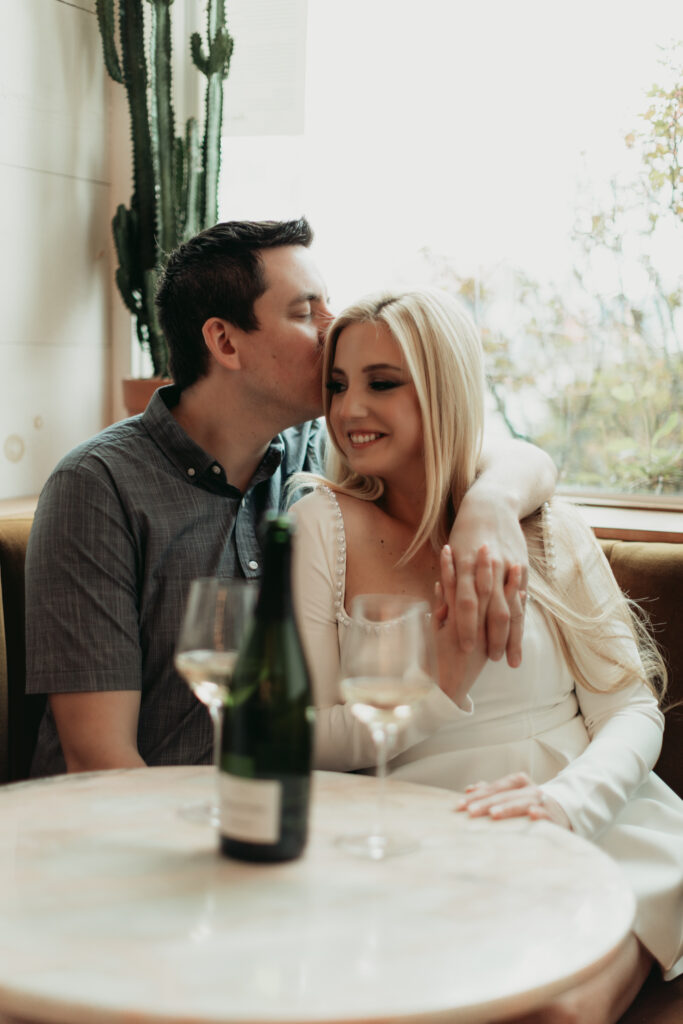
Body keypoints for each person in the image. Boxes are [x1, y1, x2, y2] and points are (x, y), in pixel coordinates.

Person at [25, 219, 556, 777]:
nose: (334, 329)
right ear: (225, 342)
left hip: (295, 819)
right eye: (307, 313)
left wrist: (490, 505)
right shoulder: (97, 486)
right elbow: (98, 759)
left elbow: (511, 455)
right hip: (150, 827)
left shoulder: (323, 453)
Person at [290, 287, 683, 1023]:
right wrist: (439, 678)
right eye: (337, 385)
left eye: (381, 383)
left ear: (442, 388)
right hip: (421, 837)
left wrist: (566, 807)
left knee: (559, 1012)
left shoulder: (538, 523)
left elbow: (628, 705)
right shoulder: (321, 525)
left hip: (594, 822)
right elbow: (307, 739)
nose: (348, 411)